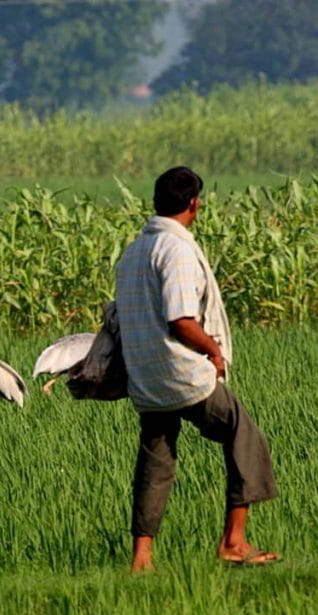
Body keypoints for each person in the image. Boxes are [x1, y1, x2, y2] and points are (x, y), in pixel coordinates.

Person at [114, 166, 280, 572]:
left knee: (156, 459)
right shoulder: (176, 250)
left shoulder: (133, 251)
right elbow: (181, 319)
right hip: (181, 373)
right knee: (243, 433)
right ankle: (233, 541)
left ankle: (142, 558)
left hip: (146, 378)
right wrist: (214, 352)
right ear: (194, 204)